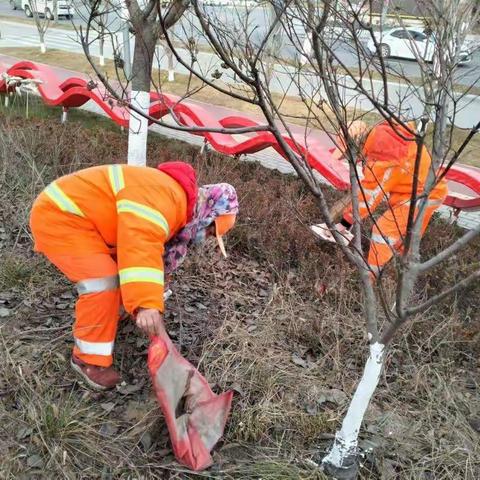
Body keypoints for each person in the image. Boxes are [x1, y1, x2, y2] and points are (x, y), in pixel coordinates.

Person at [30, 161, 238, 390]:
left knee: (121, 276)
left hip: (82, 220)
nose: (205, 236)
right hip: (62, 217)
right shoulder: (167, 198)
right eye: (210, 230)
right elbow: (139, 245)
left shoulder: (177, 201)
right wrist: (146, 304)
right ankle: (88, 361)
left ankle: (108, 319)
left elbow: (147, 250)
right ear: (209, 211)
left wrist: (152, 292)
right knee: (103, 282)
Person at [311, 120, 448, 279]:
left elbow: (370, 197)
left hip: (423, 194)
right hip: (416, 191)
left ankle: (370, 281)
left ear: (357, 145)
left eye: (349, 152)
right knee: (404, 238)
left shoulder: (383, 155)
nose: (351, 158)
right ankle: (400, 275)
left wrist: (344, 224)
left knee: (383, 231)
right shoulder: (381, 139)